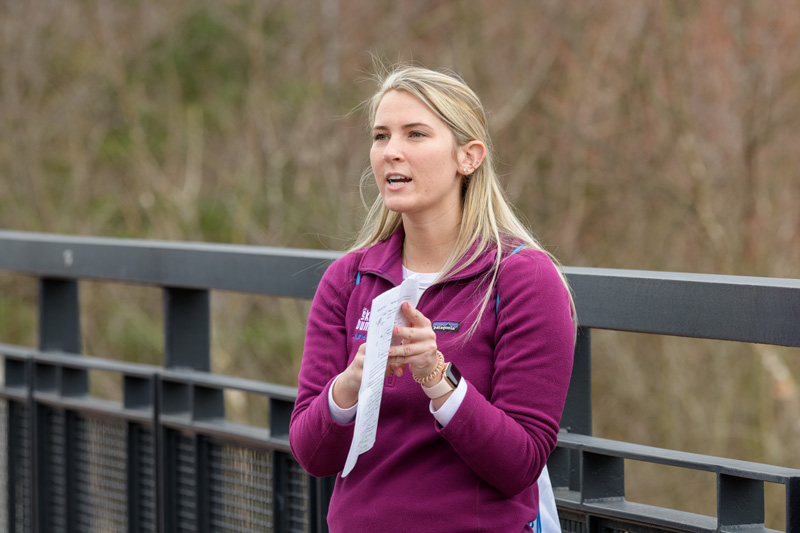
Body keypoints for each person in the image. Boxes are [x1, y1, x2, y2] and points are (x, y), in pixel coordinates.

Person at [289, 64, 575, 532]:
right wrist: (351, 383)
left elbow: (520, 463)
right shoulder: (348, 279)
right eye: (381, 136)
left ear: (469, 157)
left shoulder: (522, 278)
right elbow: (312, 455)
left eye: (415, 134)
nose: (391, 152)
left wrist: (437, 379)